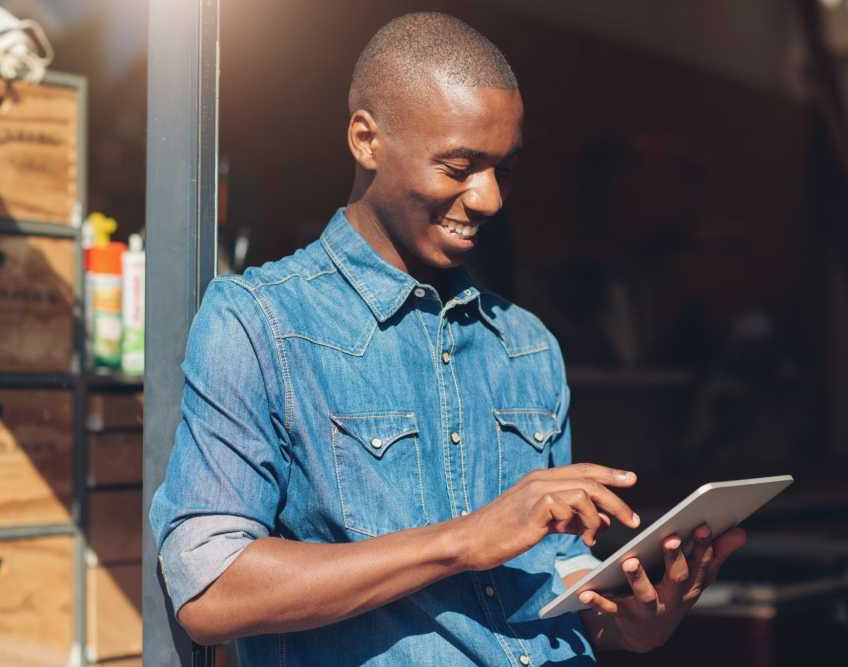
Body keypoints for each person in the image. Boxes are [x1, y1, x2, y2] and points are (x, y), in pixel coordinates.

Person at [149, 12, 746, 666]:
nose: (488, 198)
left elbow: (552, 584)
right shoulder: (259, 322)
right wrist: (465, 539)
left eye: (505, 169)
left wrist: (631, 621)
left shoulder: (527, 345)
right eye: (460, 165)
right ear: (366, 140)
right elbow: (210, 587)